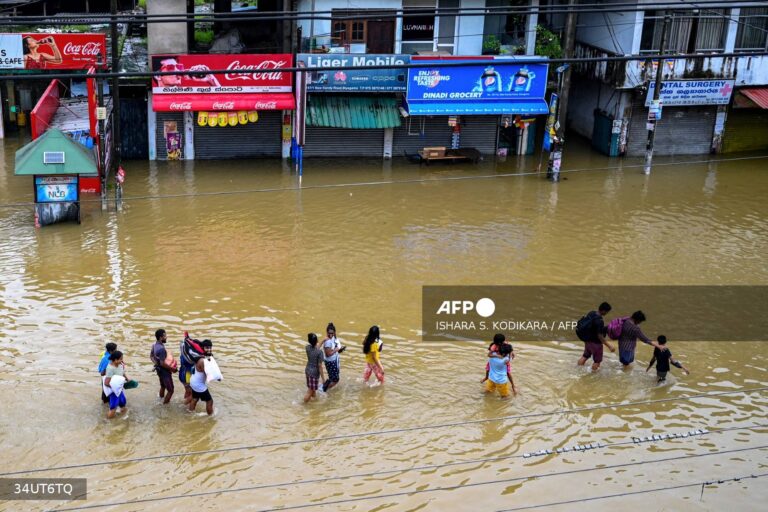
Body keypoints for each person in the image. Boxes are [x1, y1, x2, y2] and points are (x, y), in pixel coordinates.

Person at [576, 302, 615, 372]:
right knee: (597, 361)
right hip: (596, 344)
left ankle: (578, 370)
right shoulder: (599, 321)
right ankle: (593, 376)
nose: (606, 313)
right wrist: (609, 346)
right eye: (607, 312)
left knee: (585, 356)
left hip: (587, 341)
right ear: (604, 310)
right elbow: (600, 336)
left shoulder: (592, 313)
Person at [150, 329, 177, 404]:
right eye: (165, 336)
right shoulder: (161, 349)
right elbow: (162, 363)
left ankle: (160, 400)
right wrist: (172, 369)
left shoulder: (154, 345)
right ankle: (164, 405)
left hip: (159, 371)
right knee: (171, 390)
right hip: (164, 372)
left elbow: (151, 356)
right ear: (160, 337)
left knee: (163, 386)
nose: (166, 337)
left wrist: (156, 363)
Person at [189, 340, 214, 415]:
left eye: (210, 347)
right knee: (210, 401)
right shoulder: (202, 360)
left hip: (193, 381)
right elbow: (208, 374)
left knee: (195, 398)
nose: (209, 349)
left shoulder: (200, 356)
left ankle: (190, 413)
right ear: (202, 348)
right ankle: (211, 417)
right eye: (207, 348)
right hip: (198, 385)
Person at [103, 351, 129, 419]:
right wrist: (115, 388)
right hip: (114, 391)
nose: (122, 360)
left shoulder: (120, 365)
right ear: (115, 360)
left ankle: (123, 418)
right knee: (113, 408)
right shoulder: (110, 368)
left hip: (119, 389)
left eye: (122, 358)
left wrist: (128, 380)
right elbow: (106, 383)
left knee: (123, 403)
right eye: (120, 359)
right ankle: (107, 422)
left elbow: (122, 373)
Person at [322, 323, 346, 392]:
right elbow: (328, 354)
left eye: (332, 333)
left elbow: (335, 351)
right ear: (327, 332)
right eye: (329, 333)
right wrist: (336, 349)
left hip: (334, 361)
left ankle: (325, 386)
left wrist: (340, 349)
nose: (330, 335)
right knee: (336, 380)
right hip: (331, 362)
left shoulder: (334, 339)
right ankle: (323, 389)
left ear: (335, 332)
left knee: (332, 378)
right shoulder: (328, 341)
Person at [304, 333, 326, 402]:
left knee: (313, 389)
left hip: (308, 371)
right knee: (310, 391)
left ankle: (313, 402)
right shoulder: (320, 353)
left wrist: (322, 341)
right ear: (317, 341)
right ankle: (303, 404)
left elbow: (316, 348)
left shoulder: (307, 348)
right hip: (314, 374)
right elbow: (320, 366)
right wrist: (323, 379)